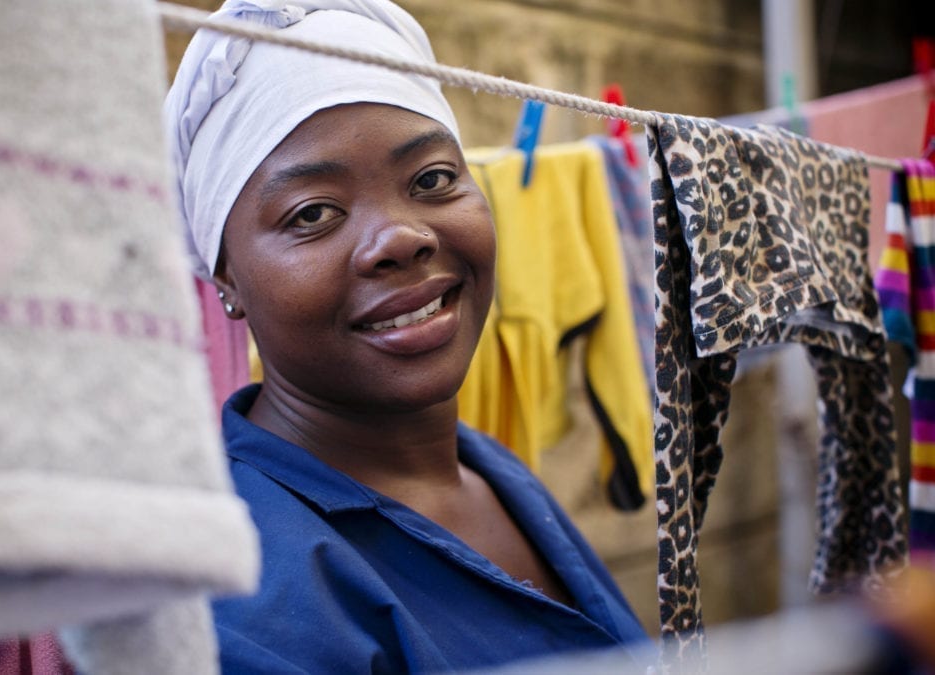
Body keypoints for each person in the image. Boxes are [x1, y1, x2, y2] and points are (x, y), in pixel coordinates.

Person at [163, 0, 650, 671]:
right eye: (313, 213)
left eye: (432, 179)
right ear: (227, 279)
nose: (400, 236)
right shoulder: (245, 599)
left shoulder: (488, 472)